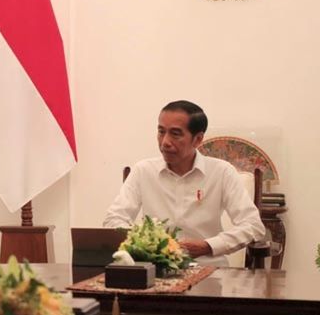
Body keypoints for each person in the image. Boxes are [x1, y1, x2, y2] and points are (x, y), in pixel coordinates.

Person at [103, 100, 266, 266]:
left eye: (175, 134)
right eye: (161, 132)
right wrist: (144, 244)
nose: (165, 142)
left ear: (197, 139)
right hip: (154, 270)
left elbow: (253, 226)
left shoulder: (222, 172)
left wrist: (208, 246)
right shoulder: (143, 170)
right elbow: (114, 219)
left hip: (208, 269)